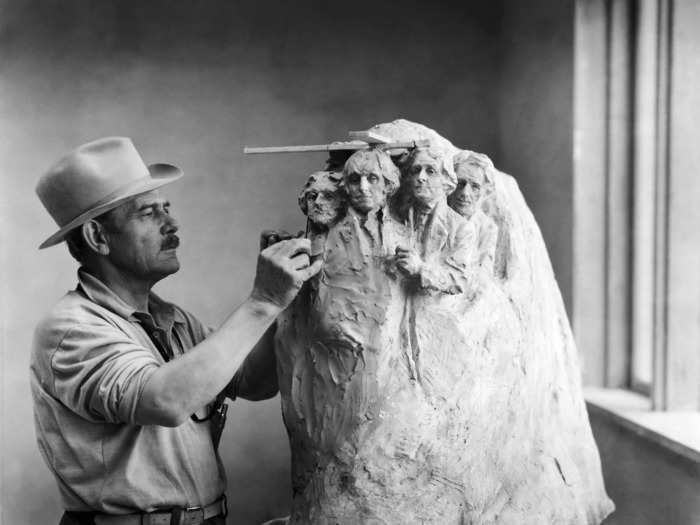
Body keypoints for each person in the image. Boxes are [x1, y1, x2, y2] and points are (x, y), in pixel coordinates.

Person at [30, 137, 321, 525]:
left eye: (166, 208)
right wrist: (262, 301)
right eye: (149, 213)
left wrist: (283, 303)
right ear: (97, 237)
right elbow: (165, 401)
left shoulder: (172, 319)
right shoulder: (71, 328)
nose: (172, 223)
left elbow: (255, 381)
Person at [448, 150, 498, 273]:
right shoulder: (434, 215)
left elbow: (483, 275)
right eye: (460, 183)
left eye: (475, 186)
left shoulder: (487, 229)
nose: (465, 193)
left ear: (486, 192)